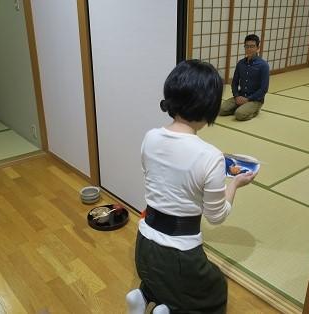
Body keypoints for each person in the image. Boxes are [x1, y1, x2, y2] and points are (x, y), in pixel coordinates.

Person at [126, 60, 257, 314]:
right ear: (209, 106)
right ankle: (168, 310)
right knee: (214, 288)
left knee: (160, 278)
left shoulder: (150, 137)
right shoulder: (210, 157)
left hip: (143, 244)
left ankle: (143, 297)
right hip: (180, 254)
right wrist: (235, 184)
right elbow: (216, 216)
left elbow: (153, 176)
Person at [219, 34, 270, 121]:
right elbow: (234, 82)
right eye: (247, 46)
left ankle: (254, 110)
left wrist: (248, 99)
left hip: (255, 100)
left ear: (258, 48)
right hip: (240, 96)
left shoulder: (263, 65)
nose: (249, 49)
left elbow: (264, 89)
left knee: (239, 115)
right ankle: (241, 108)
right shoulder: (241, 63)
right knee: (221, 110)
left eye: (252, 46)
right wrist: (236, 96)